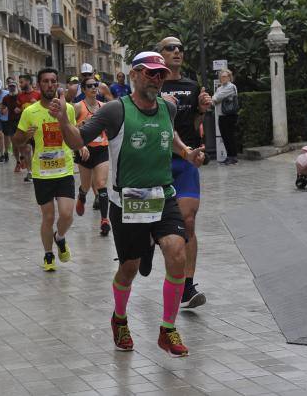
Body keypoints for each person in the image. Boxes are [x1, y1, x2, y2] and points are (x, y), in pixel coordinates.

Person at [51, 51, 206, 356]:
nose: (157, 78)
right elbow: (77, 140)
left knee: (177, 252)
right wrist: (61, 120)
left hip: (163, 195)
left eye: (161, 74)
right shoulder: (114, 110)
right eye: (151, 73)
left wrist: (187, 152)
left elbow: (169, 134)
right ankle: (119, 318)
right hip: (129, 201)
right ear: (134, 74)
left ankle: (168, 329)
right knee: (129, 268)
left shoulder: (169, 106)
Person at [158, 37, 213, 309]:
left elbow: (195, 123)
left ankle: (187, 287)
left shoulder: (192, 86)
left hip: (187, 161)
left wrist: (201, 110)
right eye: (170, 48)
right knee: (159, 226)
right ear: (160, 55)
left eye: (179, 48)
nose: (177, 51)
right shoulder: (155, 85)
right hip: (158, 162)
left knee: (188, 221)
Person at [13, 68, 76, 271]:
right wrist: (25, 137)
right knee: (48, 217)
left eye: (53, 81)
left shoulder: (68, 108)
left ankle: (60, 237)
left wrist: (81, 147)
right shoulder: (30, 112)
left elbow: (73, 134)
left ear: (57, 84)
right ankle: (48, 255)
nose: (50, 85)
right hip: (43, 173)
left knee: (67, 215)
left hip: (64, 169)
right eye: (46, 81)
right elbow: (15, 141)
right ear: (39, 85)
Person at [73, 76, 111, 236]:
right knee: (87, 186)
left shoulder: (104, 107)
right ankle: (82, 195)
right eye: (89, 86)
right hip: (85, 151)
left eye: (96, 85)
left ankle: (104, 220)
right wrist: (80, 143)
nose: (94, 88)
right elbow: (70, 129)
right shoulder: (77, 107)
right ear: (83, 89)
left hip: (101, 149)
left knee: (101, 183)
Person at [17, 74, 41, 182]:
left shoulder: (38, 94)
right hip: (25, 128)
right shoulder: (20, 96)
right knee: (26, 150)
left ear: (28, 82)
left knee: (36, 151)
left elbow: (44, 107)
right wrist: (17, 110)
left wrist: (37, 104)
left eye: (22, 82)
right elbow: (19, 108)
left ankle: (38, 171)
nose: (20, 84)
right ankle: (30, 172)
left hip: (37, 128)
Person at [212, 69, 239, 165]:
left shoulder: (231, 87)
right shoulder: (220, 88)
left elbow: (216, 98)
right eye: (222, 76)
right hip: (221, 115)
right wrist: (215, 99)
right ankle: (229, 156)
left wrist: (215, 99)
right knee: (225, 137)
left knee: (230, 136)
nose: (223, 78)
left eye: (225, 76)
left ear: (229, 77)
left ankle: (233, 157)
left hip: (230, 115)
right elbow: (215, 98)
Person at [2, 79, 22, 170]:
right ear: (8, 88)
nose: (12, 88)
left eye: (13, 86)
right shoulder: (6, 98)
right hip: (10, 122)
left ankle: (23, 157)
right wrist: (3, 110)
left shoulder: (20, 96)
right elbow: (2, 109)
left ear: (16, 87)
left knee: (22, 142)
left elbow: (26, 106)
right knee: (14, 143)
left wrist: (21, 109)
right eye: (10, 87)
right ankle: (18, 161)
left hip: (21, 121)